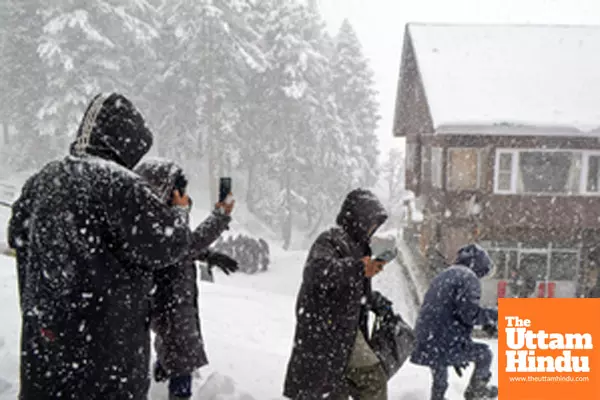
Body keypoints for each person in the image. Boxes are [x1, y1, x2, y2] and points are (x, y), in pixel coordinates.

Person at [8, 93, 192, 399]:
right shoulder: (122, 185)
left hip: (45, 344)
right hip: (107, 353)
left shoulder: (42, 179)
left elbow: (17, 235)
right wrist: (179, 212)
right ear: (125, 142)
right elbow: (168, 246)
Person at [134, 159, 237, 400]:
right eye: (177, 190)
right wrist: (220, 216)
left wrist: (208, 255)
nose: (182, 196)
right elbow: (177, 245)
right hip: (169, 300)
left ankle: (160, 388)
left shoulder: (162, 216)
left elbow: (182, 246)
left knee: (172, 351)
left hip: (173, 298)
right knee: (180, 355)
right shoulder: (158, 218)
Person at [283, 188, 391, 400]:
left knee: (340, 389)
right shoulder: (330, 240)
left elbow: (350, 289)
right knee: (371, 380)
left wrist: (374, 301)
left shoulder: (359, 247)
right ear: (358, 219)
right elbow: (317, 271)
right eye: (370, 222)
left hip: (342, 333)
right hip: (327, 332)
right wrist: (360, 269)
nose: (372, 228)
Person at [411, 244, 499, 400]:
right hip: (444, 341)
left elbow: (449, 311)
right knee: (484, 354)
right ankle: (476, 391)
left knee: (440, 371)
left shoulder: (444, 275)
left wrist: (483, 324)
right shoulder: (469, 278)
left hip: (425, 340)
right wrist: (495, 315)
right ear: (480, 266)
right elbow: (469, 314)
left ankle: (437, 397)